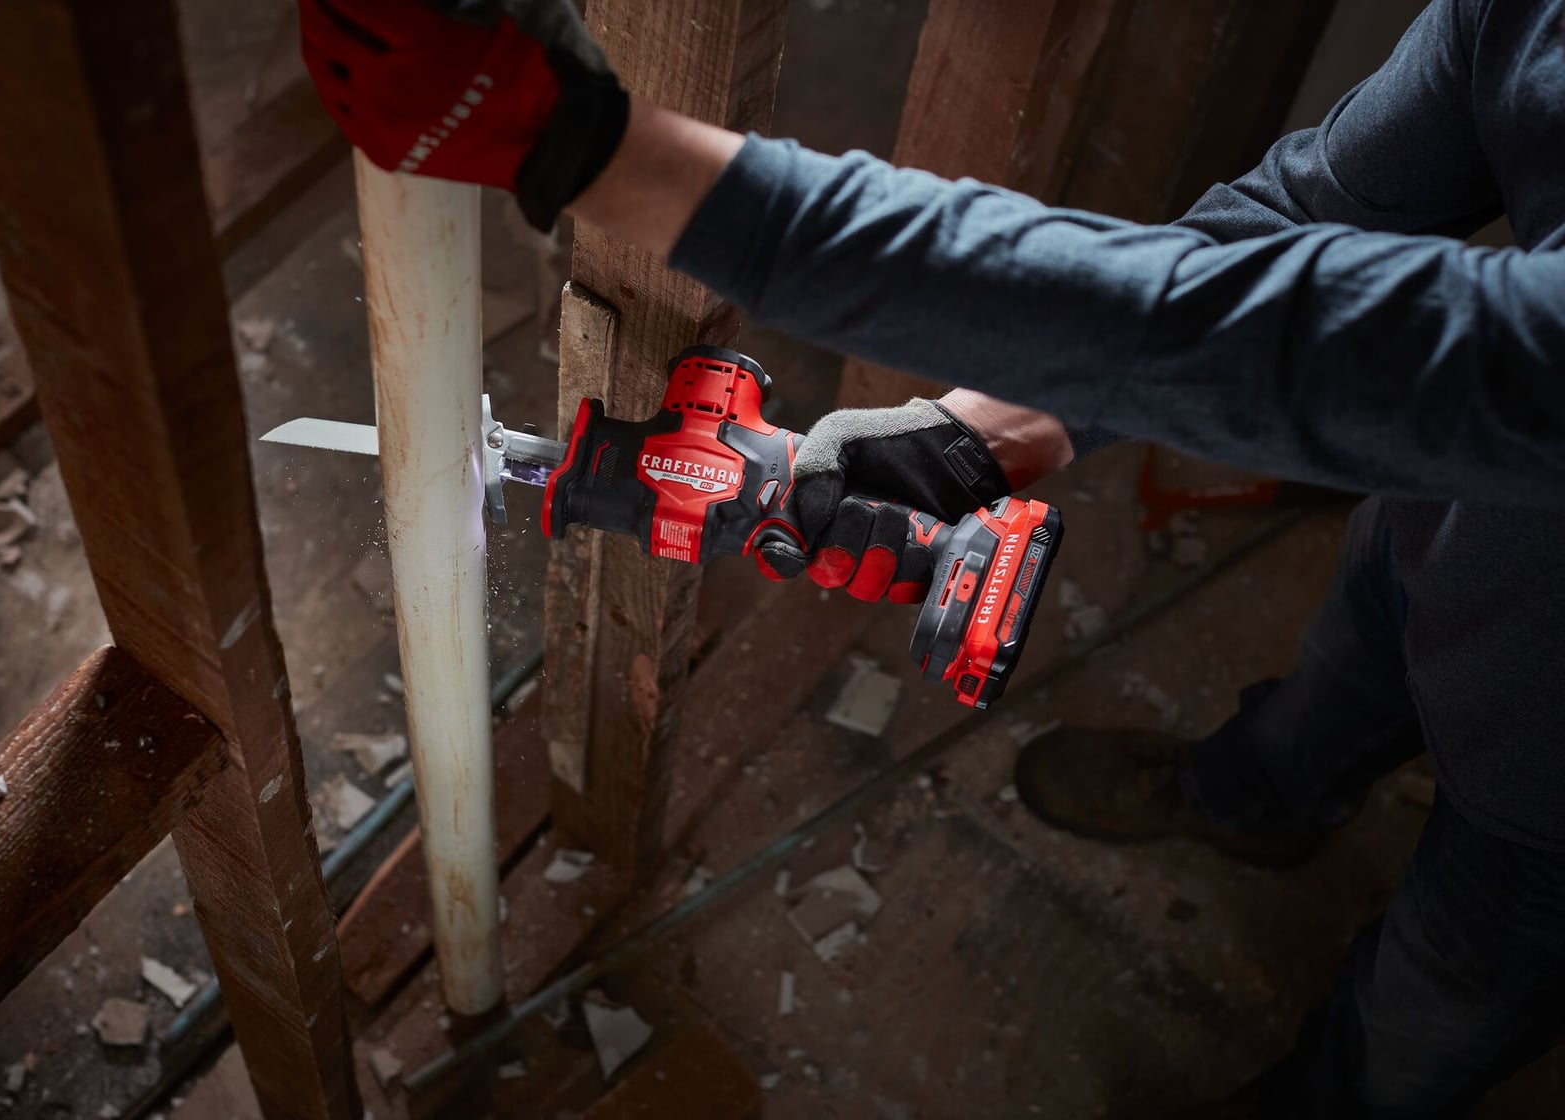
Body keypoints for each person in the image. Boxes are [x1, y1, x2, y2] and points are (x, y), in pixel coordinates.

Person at [298, 1, 1565, 1114]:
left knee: (1429, 1004)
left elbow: (1311, 351)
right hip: (1444, 537)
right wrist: (976, 441)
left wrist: (601, 154)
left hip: (1546, 777)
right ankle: (1254, 798)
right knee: (1348, 674)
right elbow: (1302, 221)